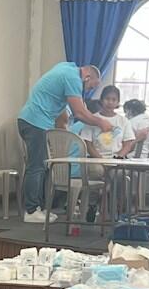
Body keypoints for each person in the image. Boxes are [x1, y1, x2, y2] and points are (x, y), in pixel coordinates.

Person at [17, 61, 113, 222]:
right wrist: (101, 122)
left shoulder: (66, 67)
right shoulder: (73, 78)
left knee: (43, 166)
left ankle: (39, 208)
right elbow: (80, 113)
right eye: (90, 87)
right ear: (87, 77)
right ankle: (31, 211)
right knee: (37, 167)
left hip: (31, 120)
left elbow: (68, 109)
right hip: (35, 123)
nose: (87, 91)